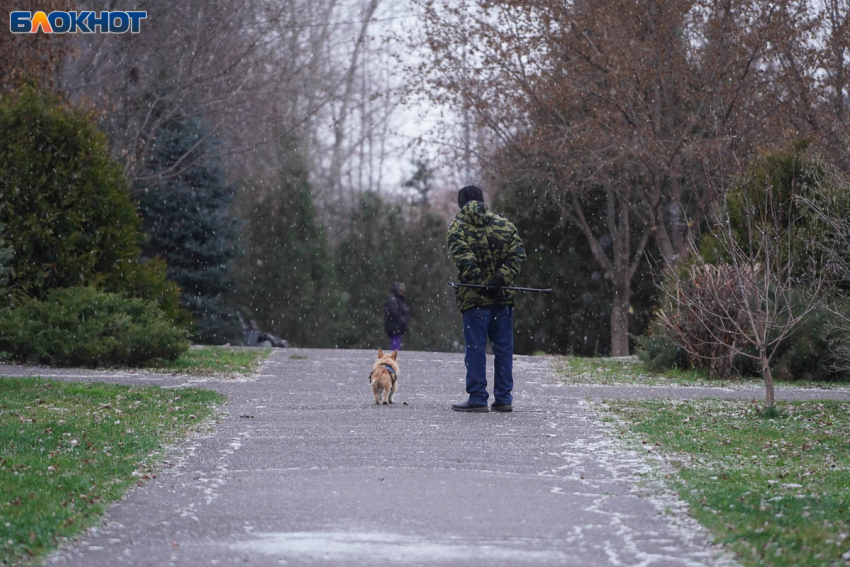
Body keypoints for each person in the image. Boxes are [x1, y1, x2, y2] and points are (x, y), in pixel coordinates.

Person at [446, 185, 526, 412]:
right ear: (482, 201)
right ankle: (504, 399)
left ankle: (478, 397)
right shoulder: (505, 225)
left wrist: (481, 285)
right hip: (503, 298)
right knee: (503, 349)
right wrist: (499, 281)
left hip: (474, 300)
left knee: (475, 348)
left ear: (461, 203)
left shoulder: (457, 228)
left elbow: (464, 259)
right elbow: (518, 254)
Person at [384, 281, 409, 351]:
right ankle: (394, 354)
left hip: (397, 326)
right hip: (394, 326)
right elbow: (394, 312)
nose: (402, 292)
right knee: (395, 343)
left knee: (396, 341)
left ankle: (395, 353)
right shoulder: (393, 299)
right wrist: (401, 319)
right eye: (400, 290)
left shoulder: (398, 299)